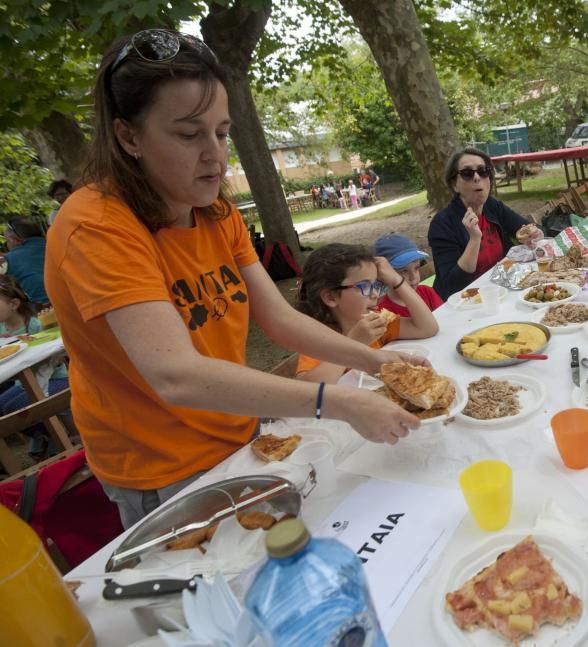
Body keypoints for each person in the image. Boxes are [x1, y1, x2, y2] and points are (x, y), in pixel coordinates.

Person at [45, 29, 426, 529]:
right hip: (164, 469)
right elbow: (175, 375)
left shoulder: (216, 212)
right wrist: (337, 402)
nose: (215, 154)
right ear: (128, 136)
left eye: (221, 133)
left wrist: (374, 362)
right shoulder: (96, 226)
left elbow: (280, 320)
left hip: (240, 433)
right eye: (188, 134)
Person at [294, 243, 438, 383]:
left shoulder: (377, 323)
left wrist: (396, 280)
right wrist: (353, 343)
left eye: (375, 284)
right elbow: (308, 388)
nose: (375, 294)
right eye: (364, 286)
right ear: (330, 297)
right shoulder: (318, 339)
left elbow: (427, 328)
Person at [428, 147, 541, 300]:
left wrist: (535, 234)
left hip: (501, 290)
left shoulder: (492, 206)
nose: (477, 177)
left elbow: (526, 228)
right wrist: (474, 240)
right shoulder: (442, 224)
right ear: (454, 184)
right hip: (465, 303)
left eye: (483, 171)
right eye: (467, 173)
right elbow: (452, 285)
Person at [0, 274, 70, 458]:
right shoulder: (1, 329)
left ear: (14, 304)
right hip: (21, 382)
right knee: (2, 406)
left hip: (55, 378)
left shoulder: (35, 325)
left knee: (16, 406)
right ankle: (41, 434)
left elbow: (57, 357)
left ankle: (57, 435)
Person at [374, 233, 444, 315]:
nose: (413, 277)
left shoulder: (427, 292)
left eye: (417, 268)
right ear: (383, 274)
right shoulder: (382, 312)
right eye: (403, 271)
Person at [2, 217, 49, 306]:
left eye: (6, 241)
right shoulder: (54, 244)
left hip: (41, 310)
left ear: (14, 240)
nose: (7, 245)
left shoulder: (8, 260)